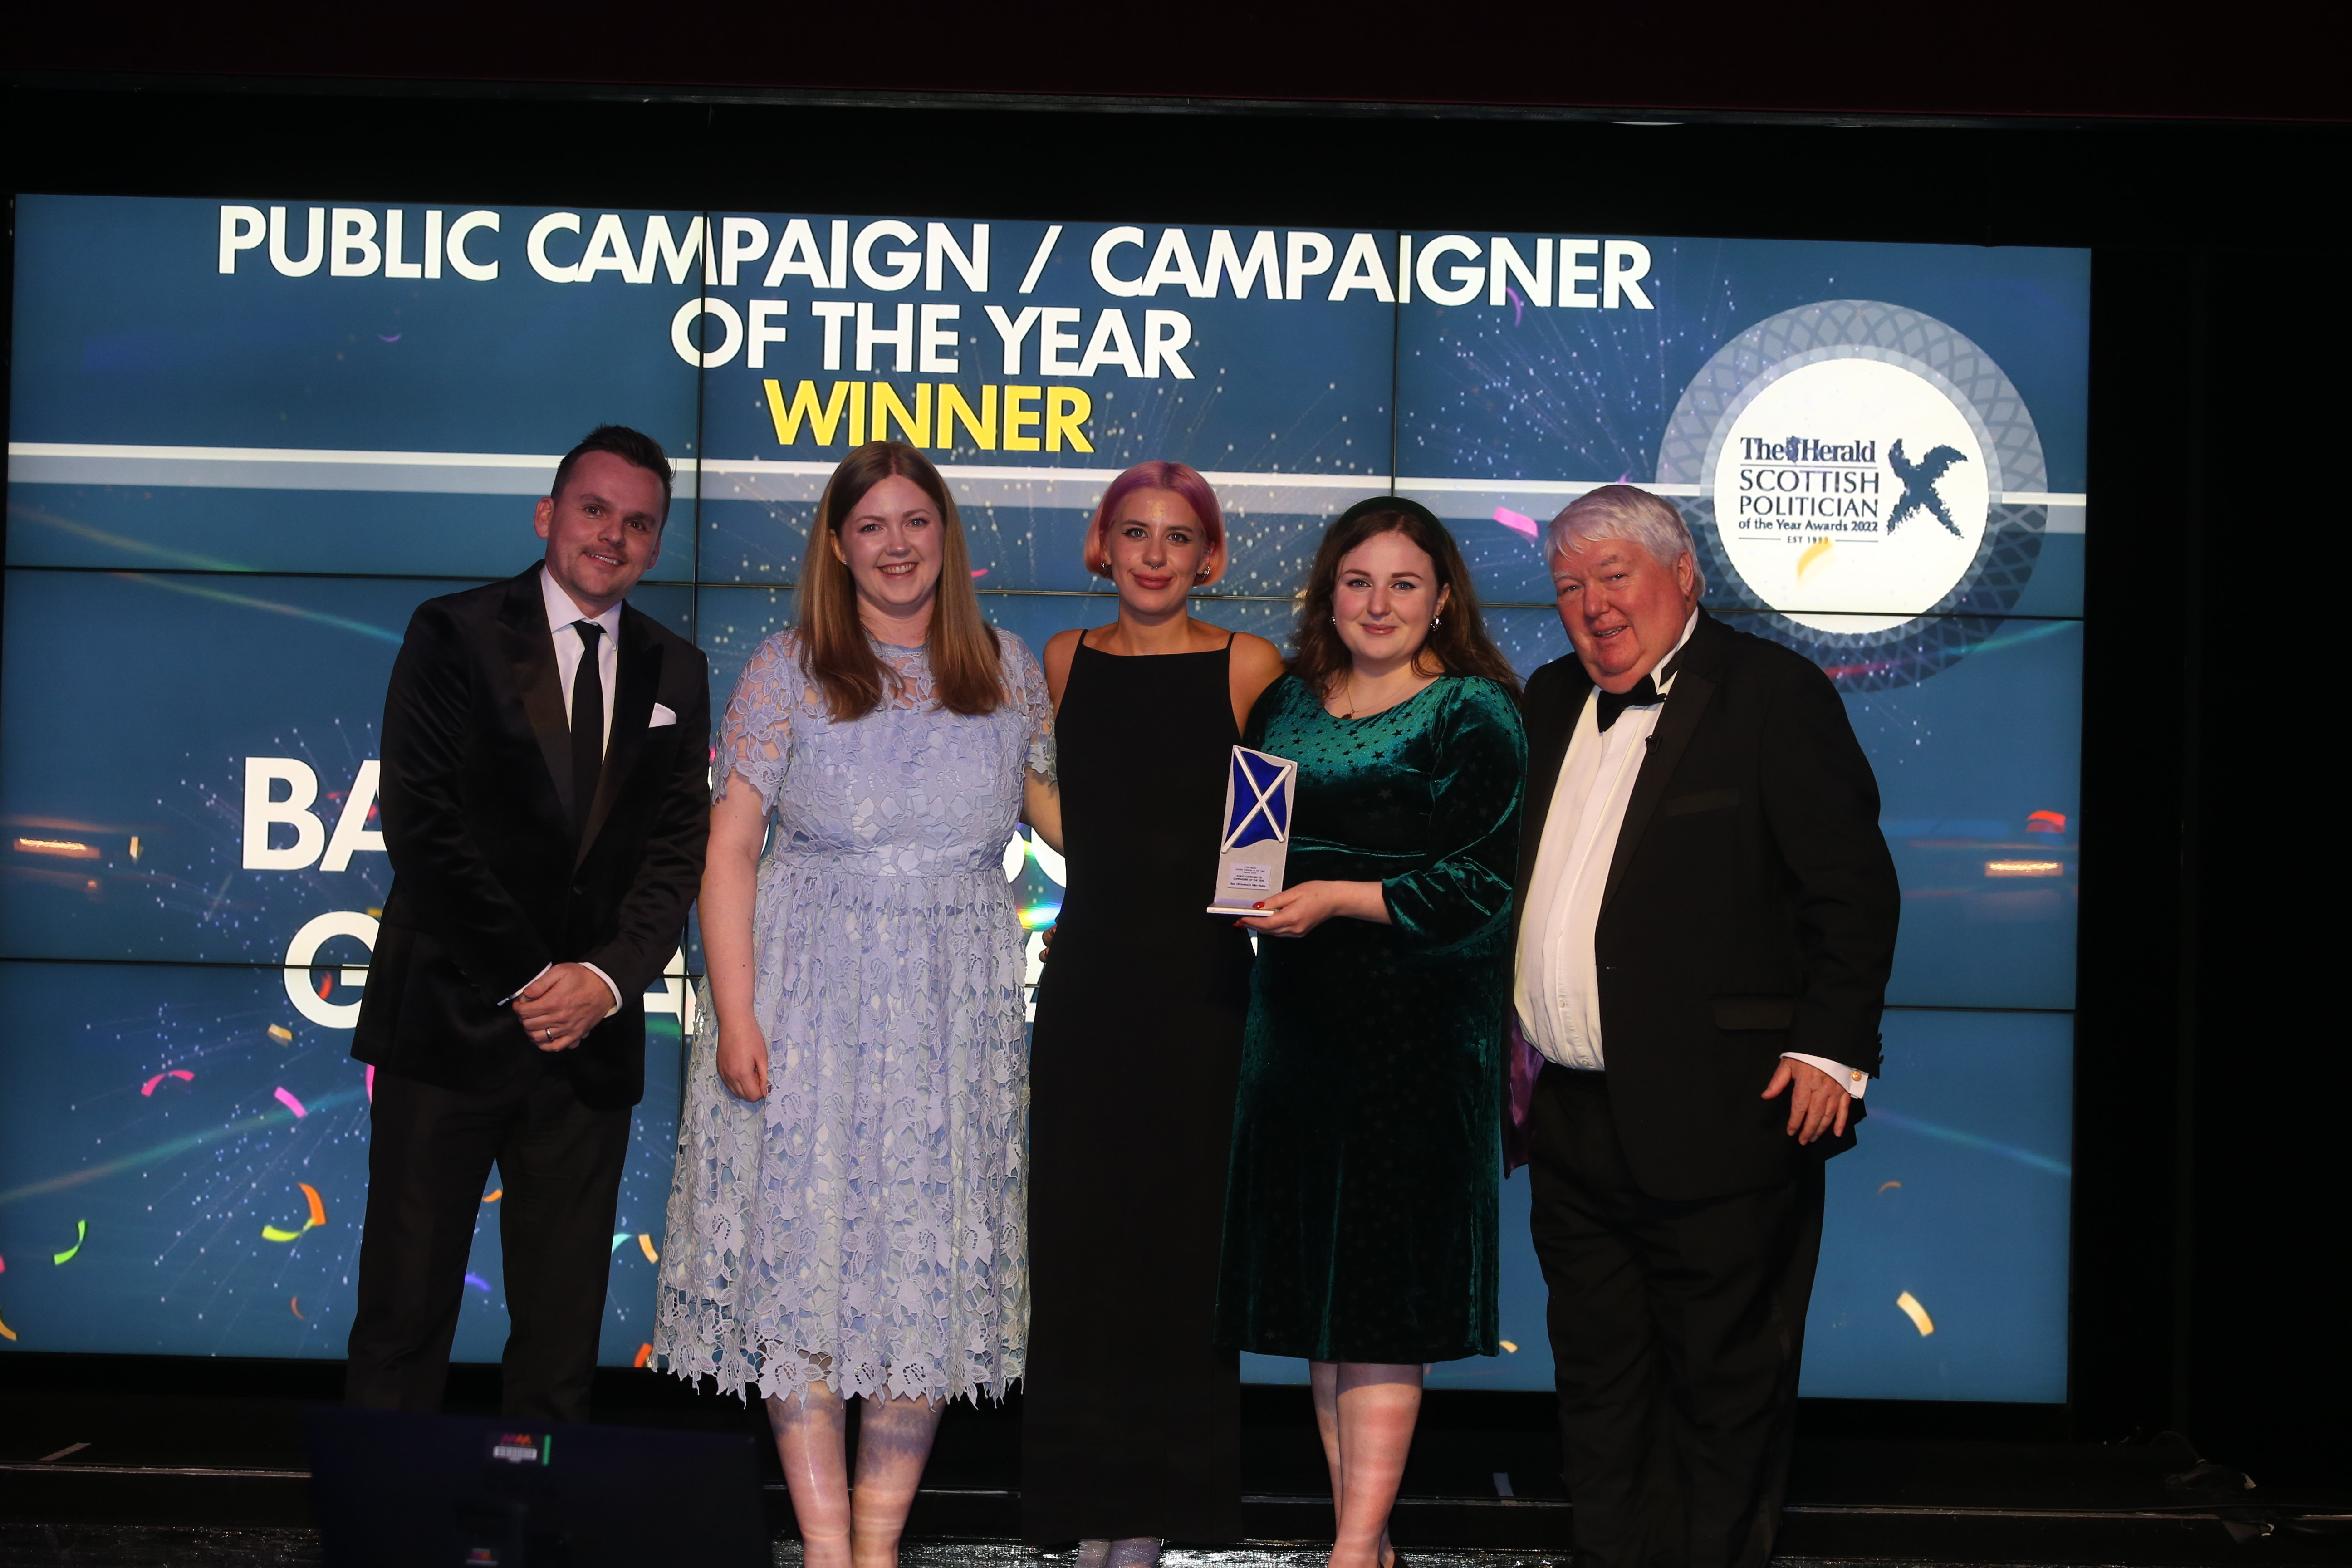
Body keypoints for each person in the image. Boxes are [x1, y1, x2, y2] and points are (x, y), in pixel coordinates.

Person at [653, 441, 1056, 1568]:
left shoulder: (1008, 669)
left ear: (947, 536)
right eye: (871, 524)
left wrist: (1240, 816)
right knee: (811, 1267)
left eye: (916, 521)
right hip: (808, 1005)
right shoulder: (787, 668)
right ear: (838, 545)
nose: (896, 544)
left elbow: (1084, 822)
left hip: (952, 1024)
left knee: (917, 1275)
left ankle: (878, 1549)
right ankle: (828, 1549)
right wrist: (734, 1016)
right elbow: (728, 850)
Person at [1509, 485, 1899, 1568]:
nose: (1590, 606)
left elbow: (1853, 892)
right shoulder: (1545, 700)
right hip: (1572, 1120)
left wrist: (1832, 1048)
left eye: (1613, 578)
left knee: (1726, 1398)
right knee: (1596, 1389)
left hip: (1729, 1114)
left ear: (1684, 577)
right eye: (1569, 587)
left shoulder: (1772, 693)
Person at [344, 425, 710, 1421]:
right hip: (448, 1030)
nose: (614, 536)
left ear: (657, 542)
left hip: (586, 1051)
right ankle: (387, 1534)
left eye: (640, 523)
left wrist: (598, 983)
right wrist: (530, 978)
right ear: (548, 515)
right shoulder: (452, 633)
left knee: (559, 1343)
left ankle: (533, 1537)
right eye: (595, 510)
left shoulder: (678, 672)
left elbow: (676, 857)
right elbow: (424, 830)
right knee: (403, 1316)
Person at [1216, 498, 1527, 1568]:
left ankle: (1352, 1551)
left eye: (1404, 583)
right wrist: (1247, 900)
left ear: (1442, 598)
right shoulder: (1286, 705)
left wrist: (1341, 899)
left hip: (1421, 1037)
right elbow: (1250, 854)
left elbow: (1483, 882)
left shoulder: (1475, 713)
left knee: (1386, 1300)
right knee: (1327, 1299)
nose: (1380, 604)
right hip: (1298, 1033)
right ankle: (1370, 1542)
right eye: (1359, 581)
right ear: (1328, 594)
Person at [1023, 463, 1286, 1566]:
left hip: (1200, 994)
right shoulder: (1063, 660)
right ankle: (1087, 1516)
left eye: (1179, 538)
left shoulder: (1251, 663)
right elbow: (1067, 811)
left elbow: (1258, 838)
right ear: (1102, 543)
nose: (1154, 554)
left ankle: (1158, 1524)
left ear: (1210, 557)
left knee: (1180, 1258)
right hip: (1086, 986)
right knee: (1080, 1253)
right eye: (1134, 532)